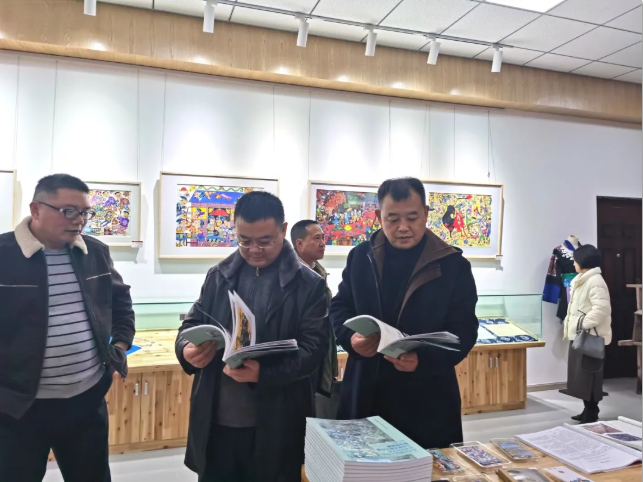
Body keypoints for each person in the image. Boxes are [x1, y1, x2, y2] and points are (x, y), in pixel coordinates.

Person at [175, 192, 329, 482]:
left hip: (276, 422)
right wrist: (185, 348)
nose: (254, 250)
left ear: (283, 231)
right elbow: (193, 322)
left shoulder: (308, 285)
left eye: (265, 241)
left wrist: (264, 373)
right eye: (244, 241)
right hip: (217, 420)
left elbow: (314, 350)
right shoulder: (219, 275)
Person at [0, 174, 135, 482]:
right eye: (69, 211)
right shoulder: (4, 254)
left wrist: (120, 346)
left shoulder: (95, 252)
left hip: (86, 402)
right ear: (36, 209)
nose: (79, 220)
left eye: (85, 212)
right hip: (18, 410)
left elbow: (121, 303)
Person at [330, 177, 478, 449]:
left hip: (427, 396)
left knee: (427, 467)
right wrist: (350, 338)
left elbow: (464, 330)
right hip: (366, 389)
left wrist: (424, 360)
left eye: (412, 217)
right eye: (393, 218)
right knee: (364, 465)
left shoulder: (452, 265)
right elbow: (340, 307)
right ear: (379, 217)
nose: (403, 227)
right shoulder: (361, 257)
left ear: (426, 213)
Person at [291, 220, 338, 418]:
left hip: (318, 354)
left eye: (323, 238)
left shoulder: (318, 273)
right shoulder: (293, 276)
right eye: (317, 238)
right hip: (299, 358)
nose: (322, 243)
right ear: (299, 244)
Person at [563, 244, 612, 424]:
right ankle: (587, 410)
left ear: (583, 261)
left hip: (590, 336)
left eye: (575, 260)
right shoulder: (582, 279)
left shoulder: (595, 281)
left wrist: (582, 324)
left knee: (590, 375)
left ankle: (592, 412)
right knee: (582, 376)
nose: (573, 263)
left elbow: (601, 309)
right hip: (580, 335)